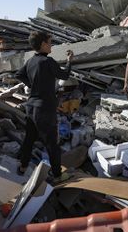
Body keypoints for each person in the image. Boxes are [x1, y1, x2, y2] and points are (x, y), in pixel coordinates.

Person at [15, 31, 74, 183]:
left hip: (31, 106)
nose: (51, 45)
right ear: (43, 44)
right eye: (49, 42)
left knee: (29, 140)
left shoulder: (31, 61)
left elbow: (19, 75)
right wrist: (69, 60)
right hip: (45, 109)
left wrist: (32, 85)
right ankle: (58, 175)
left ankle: (22, 167)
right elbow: (65, 75)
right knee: (52, 144)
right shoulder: (48, 62)